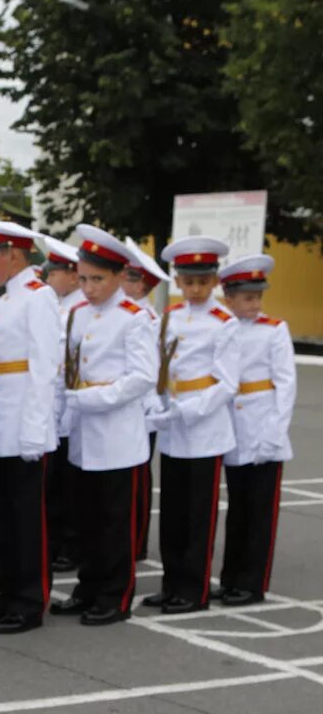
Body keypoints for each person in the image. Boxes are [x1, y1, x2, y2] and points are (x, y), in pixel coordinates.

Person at [49, 225, 156, 626]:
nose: (89, 287)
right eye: (83, 279)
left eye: (98, 279)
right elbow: (68, 369)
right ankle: (88, 587)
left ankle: (115, 594)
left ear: (118, 277)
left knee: (114, 521)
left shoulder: (134, 317)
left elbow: (143, 376)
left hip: (116, 434)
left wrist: (93, 398)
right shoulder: (77, 314)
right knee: (87, 518)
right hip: (81, 434)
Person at [144, 236, 238, 614]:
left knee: (199, 514)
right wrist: (157, 401)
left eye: (202, 281)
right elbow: (158, 367)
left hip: (204, 428)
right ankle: (172, 583)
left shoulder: (224, 322)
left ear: (215, 281)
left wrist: (189, 410)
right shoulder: (169, 317)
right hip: (173, 427)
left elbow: (227, 382)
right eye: (188, 281)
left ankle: (194, 589)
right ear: (178, 281)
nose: (195, 288)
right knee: (173, 512)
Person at [0, 218, 60, 635]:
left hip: (23, 427)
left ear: (12, 254)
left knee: (26, 520)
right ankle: (7, 593)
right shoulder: (5, 298)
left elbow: (44, 369)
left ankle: (29, 601)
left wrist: (34, 429)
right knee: (5, 518)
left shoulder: (37, 297)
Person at [217, 254, 296, 606]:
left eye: (257, 297)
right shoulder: (223, 327)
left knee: (260, 513)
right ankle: (232, 576)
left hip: (264, 429)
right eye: (247, 297)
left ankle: (252, 583)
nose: (255, 303)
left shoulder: (274, 329)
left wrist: (275, 433)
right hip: (234, 430)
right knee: (238, 509)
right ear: (228, 297)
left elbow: (286, 385)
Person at [123, 235, 168, 562]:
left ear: (143, 286)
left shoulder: (148, 319)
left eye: (130, 277)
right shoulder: (126, 314)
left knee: (138, 480)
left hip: (143, 408)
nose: (123, 280)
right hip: (131, 407)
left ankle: (136, 541)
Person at [42, 236, 86, 573]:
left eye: (55, 271)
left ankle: (71, 544)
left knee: (71, 487)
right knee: (54, 486)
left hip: (72, 406)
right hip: (56, 406)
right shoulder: (58, 306)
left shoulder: (78, 309)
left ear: (73, 275)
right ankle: (58, 542)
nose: (48, 276)